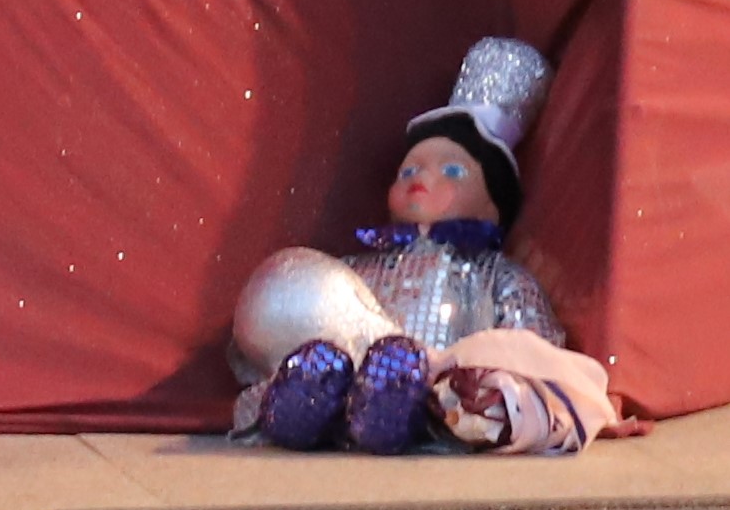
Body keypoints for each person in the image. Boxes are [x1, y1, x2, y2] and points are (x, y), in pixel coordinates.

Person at [228, 37, 614, 454]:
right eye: (409, 170)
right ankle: (306, 404)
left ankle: (390, 406)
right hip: (347, 383)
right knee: (318, 361)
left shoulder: (496, 277)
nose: (422, 178)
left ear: (491, 207)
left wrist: (484, 383)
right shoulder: (359, 267)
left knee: (399, 364)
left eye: (452, 171)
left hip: (440, 397)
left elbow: (531, 346)